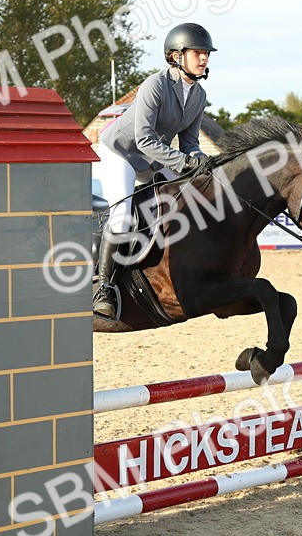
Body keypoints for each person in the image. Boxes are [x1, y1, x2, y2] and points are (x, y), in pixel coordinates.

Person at [92, 22, 216, 318]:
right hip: (120, 151)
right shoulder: (155, 84)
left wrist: (201, 162)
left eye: (207, 54)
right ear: (176, 56)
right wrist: (183, 162)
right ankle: (104, 288)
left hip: (152, 157)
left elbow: (189, 143)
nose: (204, 59)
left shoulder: (198, 95)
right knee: (122, 216)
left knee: (185, 199)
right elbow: (144, 138)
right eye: (197, 53)